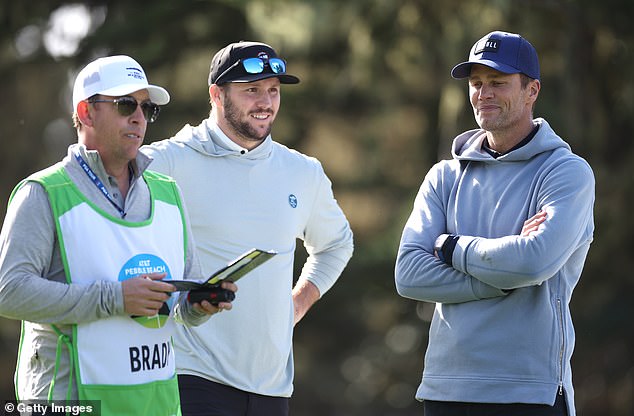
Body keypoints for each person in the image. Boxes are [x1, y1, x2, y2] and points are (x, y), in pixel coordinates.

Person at [0, 55, 236, 415]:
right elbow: (8, 292)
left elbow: (179, 305)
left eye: (147, 108)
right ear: (86, 112)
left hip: (153, 403)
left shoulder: (168, 193)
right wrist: (115, 299)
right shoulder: (42, 193)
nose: (139, 117)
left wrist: (199, 305)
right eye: (126, 104)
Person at [141, 41, 354, 416]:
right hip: (189, 375)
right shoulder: (166, 161)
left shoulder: (303, 172)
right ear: (217, 95)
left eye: (273, 90)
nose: (266, 102)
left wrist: (298, 303)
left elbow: (336, 245)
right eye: (251, 90)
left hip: (272, 386)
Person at [395, 31, 595, 416]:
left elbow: (534, 261)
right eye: (476, 83)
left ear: (531, 90)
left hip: (530, 392)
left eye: (498, 83)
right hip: (446, 389)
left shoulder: (566, 173)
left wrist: (451, 248)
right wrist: (503, 277)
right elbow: (409, 274)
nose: (483, 93)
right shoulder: (444, 176)